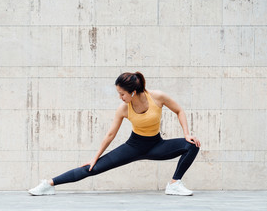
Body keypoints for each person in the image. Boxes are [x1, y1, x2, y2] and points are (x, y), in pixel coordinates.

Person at [28, 72, 201, 196]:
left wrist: (186, 134)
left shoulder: (157, 97)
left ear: (132, 92)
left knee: (191, 145)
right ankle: (49, 184)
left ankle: (174, 184)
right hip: (133, 147)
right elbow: (110, 134)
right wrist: (95, 157)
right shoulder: (123, 109)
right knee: (92, 168)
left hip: (157, 146)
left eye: (122, 94)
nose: (120, 97)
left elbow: (179, 110)